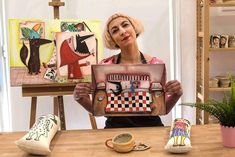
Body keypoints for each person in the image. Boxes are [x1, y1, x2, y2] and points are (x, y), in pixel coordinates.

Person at [74, 13, 183, 128]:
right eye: (115, 31)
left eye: (125, 25)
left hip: (151, 128)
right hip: (115, 129)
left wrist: (177, 94)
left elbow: (162, 109)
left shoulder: (156, 64)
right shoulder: (106, 66)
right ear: (113, 40)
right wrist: (80, 98)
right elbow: (100, 110)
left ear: (134, 28)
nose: (122, 31)